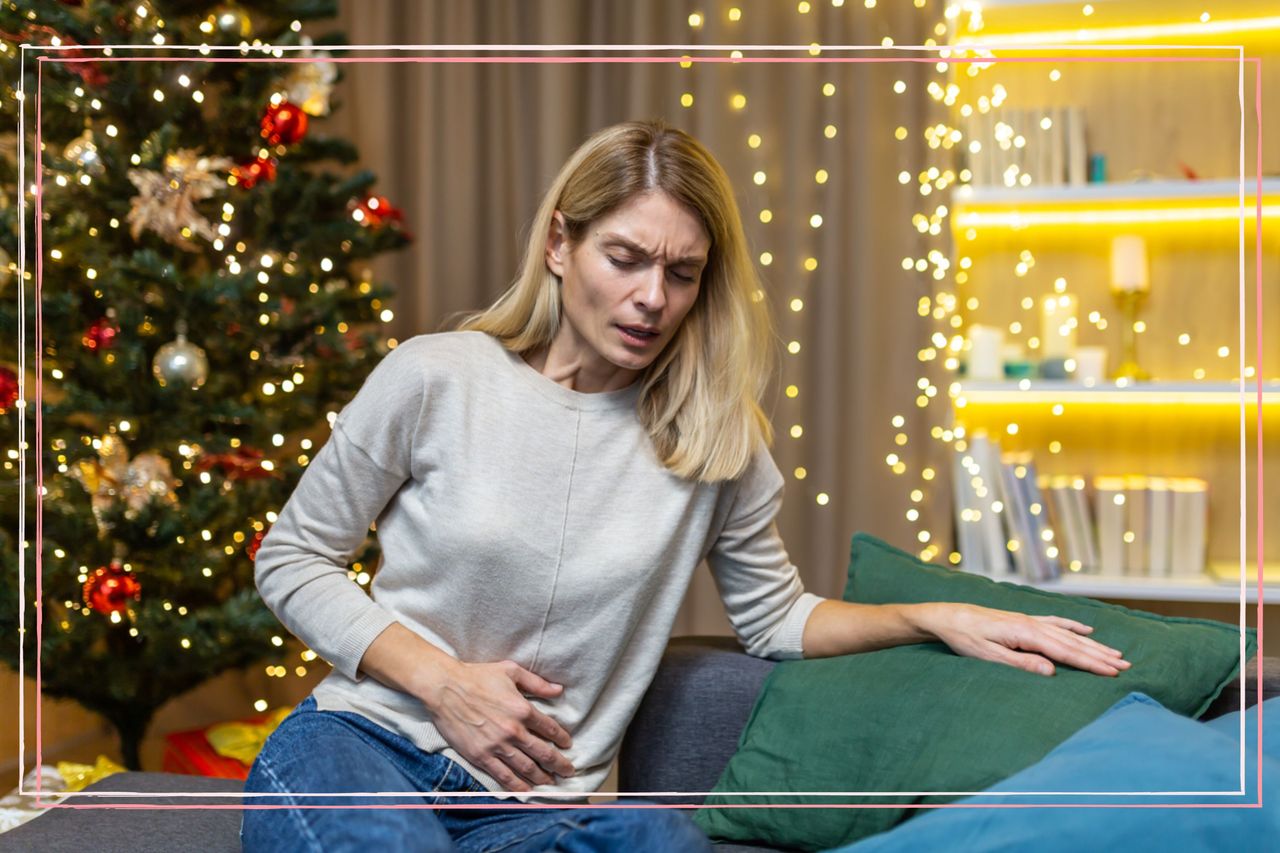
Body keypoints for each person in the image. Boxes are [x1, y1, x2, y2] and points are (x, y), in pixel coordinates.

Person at [239, 118, 1131, 852]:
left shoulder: (712, 438)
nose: (650, 297)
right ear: (560, 243)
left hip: (539, 807)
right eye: (624, 257)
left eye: (681, 271)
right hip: (370, 746)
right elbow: (292, 558)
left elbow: (775, 616)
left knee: (663, 844)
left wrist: (932, 615)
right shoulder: (437, 377)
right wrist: (444, 682)